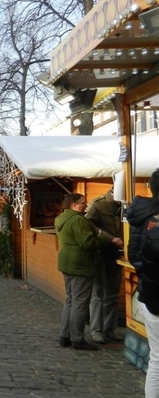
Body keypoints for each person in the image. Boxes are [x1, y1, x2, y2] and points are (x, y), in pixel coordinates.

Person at [55, 193, 118, 350]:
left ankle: (65, 336)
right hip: (80, 264)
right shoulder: (78, 220)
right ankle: (77, 338)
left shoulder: (61, 218)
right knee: (80, 303)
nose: (85, 205)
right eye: (83, 203)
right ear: (74, 205)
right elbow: (87, 242)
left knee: (70, 301)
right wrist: (104, 241)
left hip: (66, 263)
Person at [126, 168, 159, 397]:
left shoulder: (140, 215)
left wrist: (146, 272)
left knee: (157, 358)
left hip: (149, 290)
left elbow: (133, 254)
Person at [85, 187, 125, 344]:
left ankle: (110, 328)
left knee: (112, 294)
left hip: (118, 254)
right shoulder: (98, 205)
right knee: (98, 294)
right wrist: (109, 238)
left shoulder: (126, 204)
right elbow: (88, 224)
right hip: (100, 253)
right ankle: (96, 329)